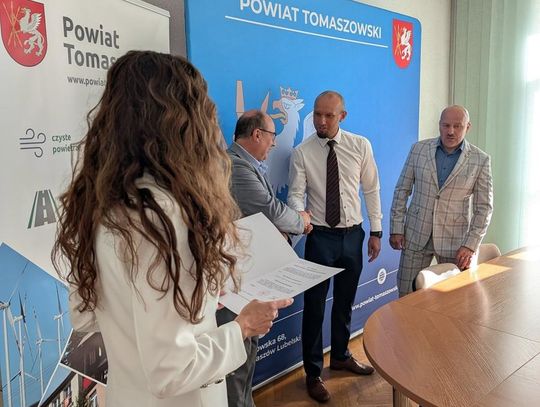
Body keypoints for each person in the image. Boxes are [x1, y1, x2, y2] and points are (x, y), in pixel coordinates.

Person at [52, 51, 293, 407]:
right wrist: (242, 326)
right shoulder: (164, 216)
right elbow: (172, 370)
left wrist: (201, 292)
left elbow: (85, 314)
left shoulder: (99, 201)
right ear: (185, 123)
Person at [288, 91, 382, 402]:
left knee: (345, 301)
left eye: (329, 115)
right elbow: (295, 195)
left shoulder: (360, 145)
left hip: (353, 236)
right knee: (314, 306)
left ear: (342, 116)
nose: (321, 121)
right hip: (320, 237)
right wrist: (299, 217)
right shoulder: (302, 153)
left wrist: (376, 231)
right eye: (317, 114)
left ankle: (340, 356)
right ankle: (313, 373)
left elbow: (371, 189)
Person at [216, 109, 312, 407]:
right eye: (272, 135)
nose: (274, 143)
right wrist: (300, 221)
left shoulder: (247, 164)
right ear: (257, 134)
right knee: (237, 359)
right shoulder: (235, 166)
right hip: (234, 282)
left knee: (247, 353)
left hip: (247, 277)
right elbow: (269, 210)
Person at [389, 105, 493, 297]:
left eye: (457, 126)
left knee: (454, 299)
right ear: (439, 125)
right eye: (446, 125)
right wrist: (396, 227)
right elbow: (402, 190)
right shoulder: (419, 150)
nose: (450, 131)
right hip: (416, 234)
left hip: (456, 242)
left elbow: (484, 208)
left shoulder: (480, 160)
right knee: (406, 294)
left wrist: (471, 245)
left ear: (468, 127)